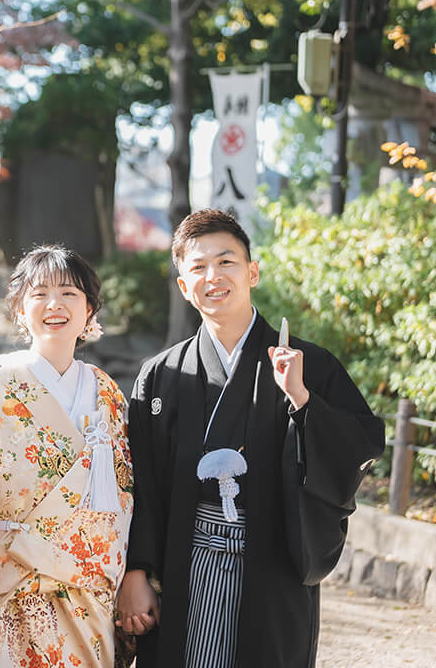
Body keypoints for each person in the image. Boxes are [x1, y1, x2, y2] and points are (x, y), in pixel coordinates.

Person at [116, 208, 385, 668]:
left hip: (272, 565)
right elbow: (136, 484)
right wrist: (137, 571)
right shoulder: (160, 375)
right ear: (184, 285)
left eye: (227, 262)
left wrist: (302, 400)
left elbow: (360, 445)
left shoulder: (309, 365)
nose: (213, 277)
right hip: (183, 564)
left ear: (252, 272)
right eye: (197, 268)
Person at [0, 245, 136, 668]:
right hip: (13, 578)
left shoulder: (106, 391)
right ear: (19, 309)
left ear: (90, 310)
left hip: (87, 584)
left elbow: (124, 492)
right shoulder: (1, 380)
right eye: (40, 294)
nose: (55, 304)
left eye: (70, 293)